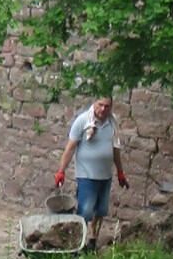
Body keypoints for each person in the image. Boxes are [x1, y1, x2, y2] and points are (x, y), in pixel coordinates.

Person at [55, 94, 129, 234]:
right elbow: (70, 148)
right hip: (87, 175)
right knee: (85, 211)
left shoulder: (112, 122)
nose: (103, 109)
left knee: (100, 211)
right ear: (94, 103)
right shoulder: (83, 121)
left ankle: (93, 239)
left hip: (105, 176)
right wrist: (61, 171)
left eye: (107, 106)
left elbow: (115, 148)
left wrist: (120, 171)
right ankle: (79, 239)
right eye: (100, 105)